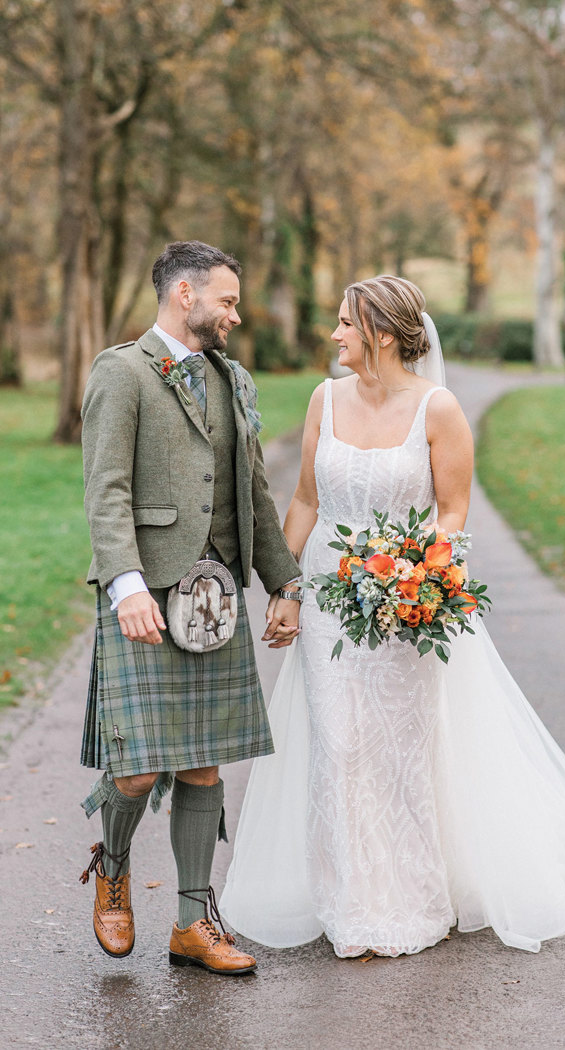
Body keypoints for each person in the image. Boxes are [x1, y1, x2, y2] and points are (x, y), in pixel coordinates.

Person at [220, 274, 565, 958]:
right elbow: (307, 503)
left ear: (380, 333)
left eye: (346, 324)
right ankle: (351, 899)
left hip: (406, 605)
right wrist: (286, 586)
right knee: (339, 744)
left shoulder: (438, 410)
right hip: (327, 599)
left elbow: (454, 511)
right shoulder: (324, 399)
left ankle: (412, 893)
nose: (334, 335)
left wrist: (421, 576)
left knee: (402, 752)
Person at [79, 240, 302, 975]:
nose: (236, 314)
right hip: (146, 596)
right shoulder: (122, 372)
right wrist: (126, 585)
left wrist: (283, 582)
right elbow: (105, 489)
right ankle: (112, 866)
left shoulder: (231, 378)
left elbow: (254, 494)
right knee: (139, 769)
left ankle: (191, 921)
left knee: (204, 765)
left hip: (214, 602)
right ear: (185, 294)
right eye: (227, 301)